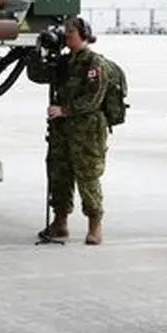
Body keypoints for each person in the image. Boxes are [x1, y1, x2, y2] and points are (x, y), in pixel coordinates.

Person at [26, 16, 111, 245]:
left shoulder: (94, 63)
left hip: (86, 132)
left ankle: (95, 224)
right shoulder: (64, 62)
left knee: (87, 177)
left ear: (83, 34)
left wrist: (65, 110)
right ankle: (60, 221)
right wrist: (35, 52)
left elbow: (93, 99)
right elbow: (38, 75)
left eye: (70, 32)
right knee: (59, 174)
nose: (66, 36)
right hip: (62, 131)